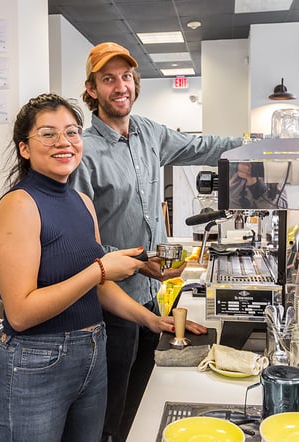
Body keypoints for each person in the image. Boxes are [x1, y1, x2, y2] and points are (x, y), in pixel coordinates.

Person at [0, 93, 206, 442]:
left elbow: (97, 286)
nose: (64, 142)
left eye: (72, 132)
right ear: (24, 148)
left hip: (92, 351)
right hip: (36, 361)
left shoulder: (82, 202)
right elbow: (22, 312)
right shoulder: (19, 205)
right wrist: (101, 269)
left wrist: (151, 320)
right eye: (48, 133)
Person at [69, 42, 243, 442]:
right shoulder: (84, 150)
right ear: (92, 89)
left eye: (126, 76)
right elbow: (81, 239)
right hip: (110, 299)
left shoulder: (150, 132)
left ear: (136, 82)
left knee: (144, 393)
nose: (120, 86)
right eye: (108, 78)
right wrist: (135, 261)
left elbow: (203, 146)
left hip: (151, 292)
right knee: (112, 401)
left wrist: (257, 144)